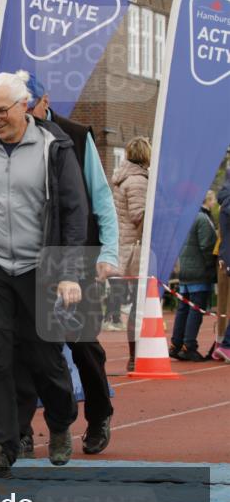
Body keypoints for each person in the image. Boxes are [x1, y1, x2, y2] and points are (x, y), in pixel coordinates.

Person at [0, 71, 88, 478]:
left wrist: (68, 272)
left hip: (40, 268)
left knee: (43, 358)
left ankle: (60, 422)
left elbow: (74, 213)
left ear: (23, 106)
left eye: (0, 111)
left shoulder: (53, 148)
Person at [18, 72, 119, 456]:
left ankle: (99, 415)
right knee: (26, 346)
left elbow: (101, 198)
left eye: (28, 107)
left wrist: (108, 253)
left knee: (82, 344)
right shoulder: (3, 139)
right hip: (26, 256)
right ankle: (22, 428)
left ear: (43, 102)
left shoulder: (76, 137)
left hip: (76, 256)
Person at [111, 136, 151, 373]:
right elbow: (139, 215)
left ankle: (135, 354)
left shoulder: (121, 178)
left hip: (125, 245)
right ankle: (136, 355)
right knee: (140, 305)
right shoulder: (137, 181)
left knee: (136, 304)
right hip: (136, 248)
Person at [169, 190, 217, 362]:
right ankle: (189, 346)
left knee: (183, 308)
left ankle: (176, 343)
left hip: (185, 270)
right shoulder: (202, 219)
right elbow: (207, 246)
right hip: (199, 270)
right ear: (207, 200)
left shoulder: (184, 217)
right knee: (195, 309)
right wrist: (211, 267)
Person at [212, 167, 230, 361]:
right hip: (226, 255)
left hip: (222, 254)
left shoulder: (223, 200)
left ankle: (220, 341)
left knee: (223, 304)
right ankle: (225, 345)